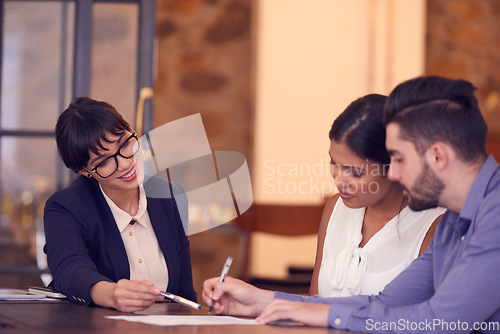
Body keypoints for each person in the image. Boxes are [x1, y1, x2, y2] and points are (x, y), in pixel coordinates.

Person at [203, 76, 500, 333]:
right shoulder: (456, 220)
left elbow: (437, 321)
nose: (393, 173)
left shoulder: (492, 216)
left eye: (398, 159)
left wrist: (324, 313)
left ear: (438, 156)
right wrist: (262, 301)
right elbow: (384, 304)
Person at [44, 97, 196, 312]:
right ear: (84, 171)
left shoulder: (170, 196)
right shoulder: (66, 206)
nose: (125, 163)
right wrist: (112, 294)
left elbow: (183, 293)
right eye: (103, 161)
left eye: (125, 143)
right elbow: (68, 269)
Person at [310, 94, 444, 297]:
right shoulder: (336, 208)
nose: (339, 181)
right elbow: (311, 305)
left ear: (395, 165)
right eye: (333, 163)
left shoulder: (434, 227)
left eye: (355, 172)